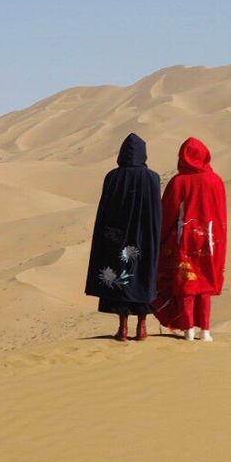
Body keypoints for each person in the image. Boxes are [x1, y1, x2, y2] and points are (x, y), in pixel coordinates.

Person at [84, 133, 162, 341]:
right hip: (145, 238)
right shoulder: (152, 178)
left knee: (120, 277)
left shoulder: (113, 176)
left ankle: (123, 328)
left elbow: (105, 210)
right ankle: (142, 327)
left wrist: (105, 237)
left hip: (115, 237)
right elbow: (156, 212)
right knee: (143, 276)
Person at [155, 137, 228, 341]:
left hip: (184, 239)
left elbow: (167, 212)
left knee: (186, 282)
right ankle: (205, 330)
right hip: (211, 240)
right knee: (204, 282)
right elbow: (222, 215)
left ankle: (188, 329)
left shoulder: (179, 182)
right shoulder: (216, 181)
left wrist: (162, 237)